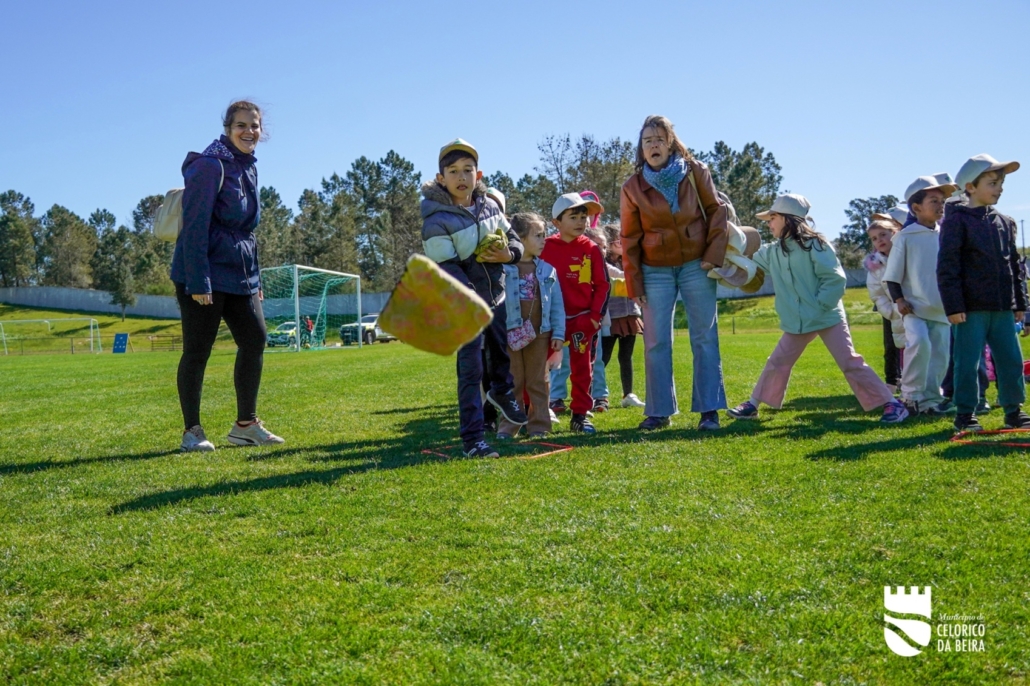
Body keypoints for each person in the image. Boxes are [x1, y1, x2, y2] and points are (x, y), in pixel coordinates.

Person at [727, 194, 909, 423]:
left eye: (772, 218)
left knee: (850, 363)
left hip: (827, 316)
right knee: (777, 361)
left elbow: (834, 280)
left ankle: (893, 405)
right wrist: (727, 253)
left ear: (788, 219)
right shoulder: (772, 251)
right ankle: (752, 405)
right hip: (797, 321)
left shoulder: (817, 245)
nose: (768, 223)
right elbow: (750, 262)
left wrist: (819, 306)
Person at [171, 100, 284, 452]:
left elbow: (246, 232)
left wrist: (256, 280)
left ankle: (245, 426)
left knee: (255, 338)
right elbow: (194, 227)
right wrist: (198, 280)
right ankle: (192, 431)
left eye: (254, 126)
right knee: (197, 351)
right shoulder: (209, 166)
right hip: (204, 272)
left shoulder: (248, 167)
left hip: (241, 275)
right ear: (227, 128)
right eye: (241, 125)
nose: (249, 131)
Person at [620, 115, 728, 431]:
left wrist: (713, 255)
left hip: (697, 264)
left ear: (670, 142)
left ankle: (709, 410)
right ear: (641, 149)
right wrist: (634, 280)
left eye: (658, 139)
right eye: (647, 141)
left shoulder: (696, 172)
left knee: (705, 337)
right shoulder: (632, 187)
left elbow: (716, 211)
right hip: (654, 271)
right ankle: (658, 412)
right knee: (655, 342)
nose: (653, 145)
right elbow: (629, 238)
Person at [421, 139, 527, 458]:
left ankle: (501, 393)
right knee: (470, 369)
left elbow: (514, 240)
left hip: (494, 297)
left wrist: (509, 254)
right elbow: (446, 265)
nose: (461, 176)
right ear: (441, 178)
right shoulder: (435, 219)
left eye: (468, 170)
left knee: (501, 352)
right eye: (453, 171)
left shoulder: (491, 206)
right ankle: (473, 439)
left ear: (478, 175)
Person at [937, 153, 1030, 433]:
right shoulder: (956, 222)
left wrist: (1020, 302)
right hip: (970, 308)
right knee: (967, 362)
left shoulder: (1005, 222)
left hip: (1002, 307)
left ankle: (1014, 411)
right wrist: (953, 306)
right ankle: (966, 413)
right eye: (992, 182)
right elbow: (947, 267)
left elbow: (1015, 266)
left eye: (1000, 183)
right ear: (970, 187)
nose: (999, 188)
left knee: (1011, 361)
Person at [883, 176, 958, 414]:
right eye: (934, 200)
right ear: (916, 208)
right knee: (920, 344)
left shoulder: (945, 234)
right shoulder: (905, 236)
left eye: (942, 200)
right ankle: (911, 397)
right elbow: (892, 275)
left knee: (940, 355)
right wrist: (899, 300)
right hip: (913, 307)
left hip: (941, 309)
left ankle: (931, 401)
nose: (940, 205)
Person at [542, 193, 610, 433]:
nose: (581, 221)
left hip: (582, 321)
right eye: (574, 216)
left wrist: (594, 317)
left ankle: (580, 415)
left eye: (584, 216)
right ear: (557, 222)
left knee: (583, 369)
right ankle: (538, 413)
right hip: (550, 323)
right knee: (543, 367)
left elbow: (603, 284)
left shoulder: (591, 248)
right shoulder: (545, 247)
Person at [498, 213, 565, 438]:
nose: (544, 240)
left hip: (540, 334)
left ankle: (539, 426)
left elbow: (557, 305)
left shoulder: (548, 270)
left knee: (538, 381)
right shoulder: (503, 269)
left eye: (544, 235)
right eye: (538, 235)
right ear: (519, 238)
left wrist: (559, 332)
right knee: (513, 381)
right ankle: (509, 427)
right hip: (510, 334)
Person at [601, 222, 646, 408]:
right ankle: (593, 393)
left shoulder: (630, 259)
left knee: (626, 356)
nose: (623, 243)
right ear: (610, 243)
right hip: (611, 317)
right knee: (603, 357)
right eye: (619, 240)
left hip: (630, 315)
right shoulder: (604, 263)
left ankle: (629, 394)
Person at [864, 218, 905, 393]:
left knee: (924, 348)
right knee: (898, 349)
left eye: (883, 235)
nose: (879, 240)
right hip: (896, 315)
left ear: (894, 234)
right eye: (874, 238)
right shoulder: (876, 266)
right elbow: (876, 293)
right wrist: (891, 311)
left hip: (919, 311)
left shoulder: (906, 256)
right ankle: (903, 385)